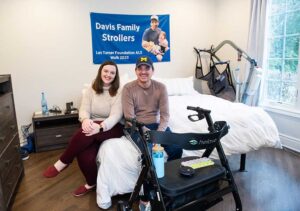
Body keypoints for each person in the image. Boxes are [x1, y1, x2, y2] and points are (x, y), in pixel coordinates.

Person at [43, 61, 124, 197]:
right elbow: (84, 108)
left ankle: (63, 161)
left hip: (113, 127)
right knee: (84, 154)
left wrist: (100, 127)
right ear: (100, 72)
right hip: (93, 124)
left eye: (112, 72)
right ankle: (91, 183)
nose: (108, 75)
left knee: (87, 133)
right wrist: (86, 120)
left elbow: (116, 115)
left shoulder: (119, 91)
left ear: (115, 76)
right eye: (106, 71)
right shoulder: (91, 88)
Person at [122, 56, 182, 211]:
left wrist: (159, 135)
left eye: (146, 68)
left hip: (157, 125)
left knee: (176, 148)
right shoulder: (128, 88)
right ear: (135, 71)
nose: (143, 71)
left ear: (152, 70)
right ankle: (145, 197)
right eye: (140, 68)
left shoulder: (161, 87)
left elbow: (165, 116)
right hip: (136, 126)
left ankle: (170, 187)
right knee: (148, 156)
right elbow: (129, 118)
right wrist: (151, 136)